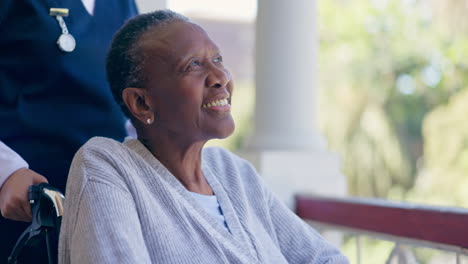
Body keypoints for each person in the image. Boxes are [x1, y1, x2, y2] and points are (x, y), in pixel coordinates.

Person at [58, 10, 349, 263]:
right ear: (141, 103)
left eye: (218, 58)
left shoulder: (234, 172)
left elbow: (325, 258)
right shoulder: (107, 166)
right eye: (193, 65)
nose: (220, 76)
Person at [0, 0, 137, 261]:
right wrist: (5, 173)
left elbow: (132, 101)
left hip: (102, 203)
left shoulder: (122, 5)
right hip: (24, 204)